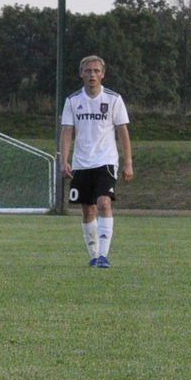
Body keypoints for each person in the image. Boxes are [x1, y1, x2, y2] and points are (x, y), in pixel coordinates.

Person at [57, 54, 134, 268]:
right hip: (82, 162)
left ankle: (103, 256)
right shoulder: (73, 101)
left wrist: (128, 162)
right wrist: (64, 160)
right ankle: (93, 255)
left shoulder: (113, 99)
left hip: (106, 160)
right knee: (88, 209)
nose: (92, 75)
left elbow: (122, 131)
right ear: (81, 73)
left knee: (104, 202)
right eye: (88, 71)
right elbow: (67, 131)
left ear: (103, 74)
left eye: (96, 71)